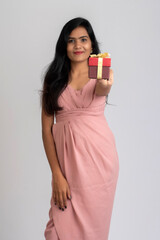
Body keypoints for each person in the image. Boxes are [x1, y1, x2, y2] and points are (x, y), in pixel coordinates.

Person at [40, 17, 119, 240]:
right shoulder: (53, 79)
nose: (78, 46)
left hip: (99, 164)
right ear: (64, 45)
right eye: (71, 40)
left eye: (83, 40)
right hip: (66, 168)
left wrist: (105, 81)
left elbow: (103, 89)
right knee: (55, 233)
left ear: (91, 44)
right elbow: (47, 130)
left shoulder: (102, 73)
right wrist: (56, 173)